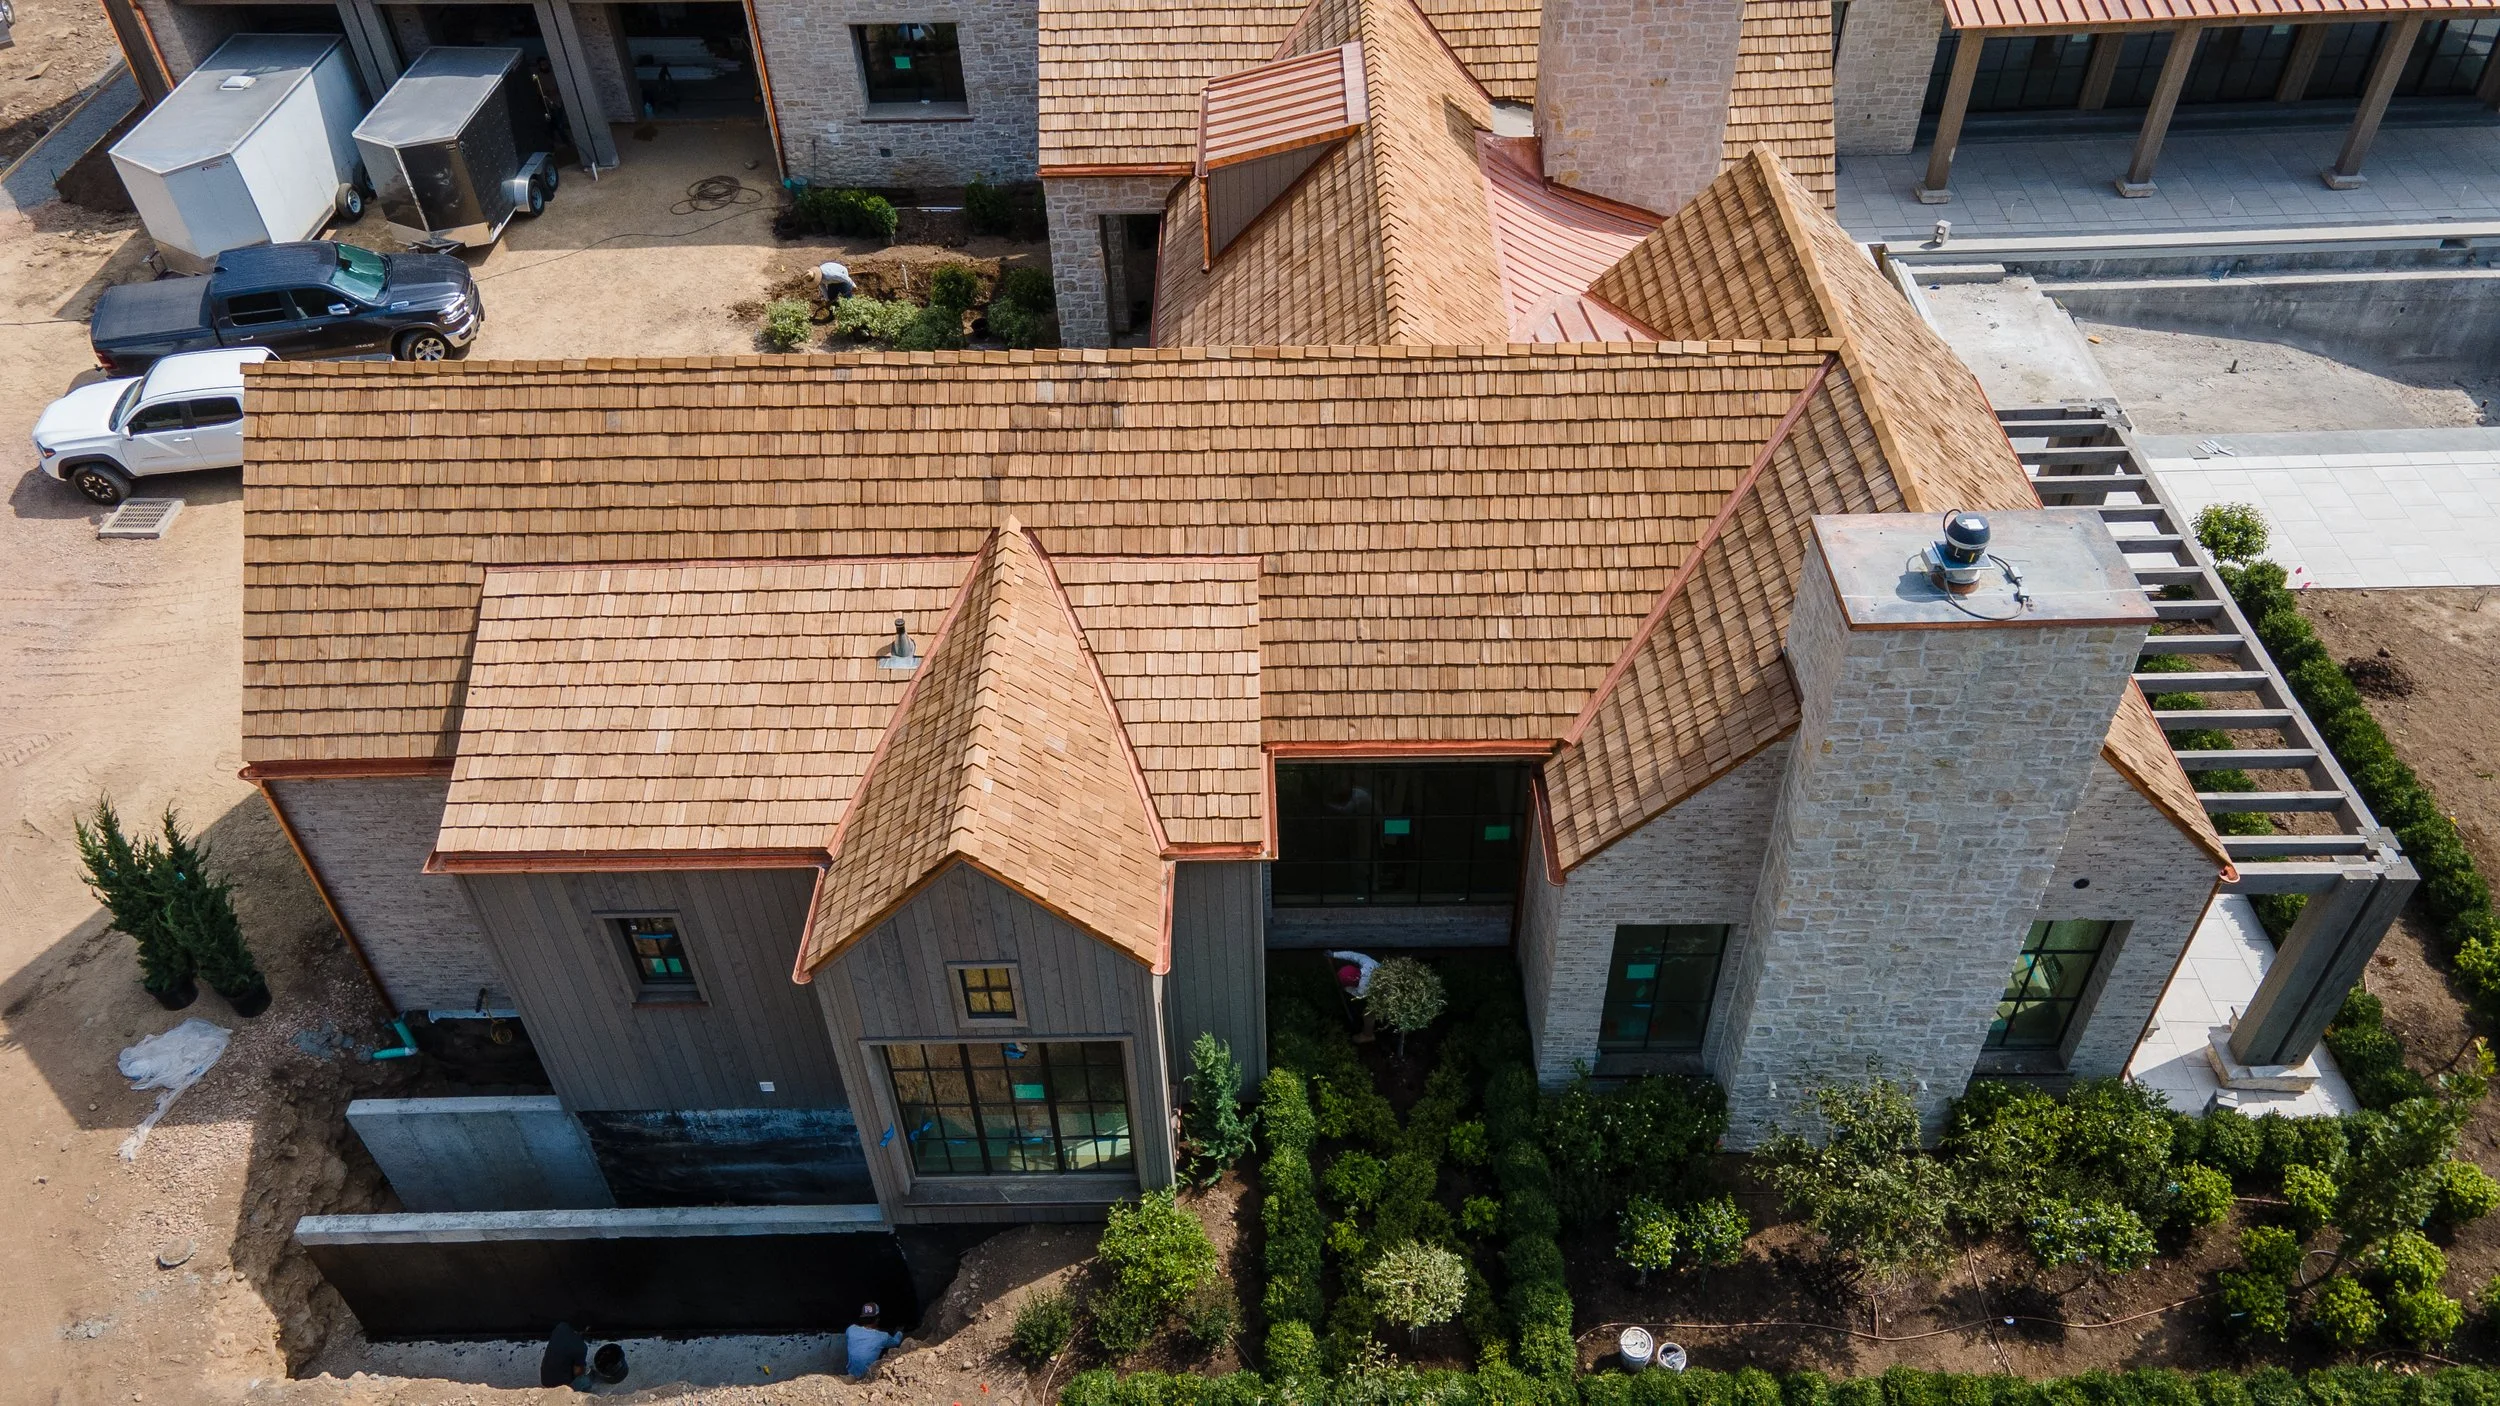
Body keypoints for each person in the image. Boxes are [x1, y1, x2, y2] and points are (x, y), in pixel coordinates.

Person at [1328, 950, 1380, 1042]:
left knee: (1368, 1014)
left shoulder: (1362, 989)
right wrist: (1334, 954)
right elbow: (1352, 955)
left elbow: (1355, 993)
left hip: (1384, 994)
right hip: (1392, 975)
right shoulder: (1366, 962)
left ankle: (1368, 1035)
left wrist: (1345, 989)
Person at [845, 1302, 903, 1380]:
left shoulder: (850, 1330)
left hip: (851, 1375)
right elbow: (896, 1342)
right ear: (877, 1319)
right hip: (868, 1377)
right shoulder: (883, 1336)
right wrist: (899, 1331)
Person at [539, 1321, 592, 1390]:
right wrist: (583, 1370)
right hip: (559, 1385)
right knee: (586, 1382)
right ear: (586, 1328)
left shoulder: (561, 1327)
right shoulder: (581, 1347)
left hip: (545, 1378)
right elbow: (577, 1372)